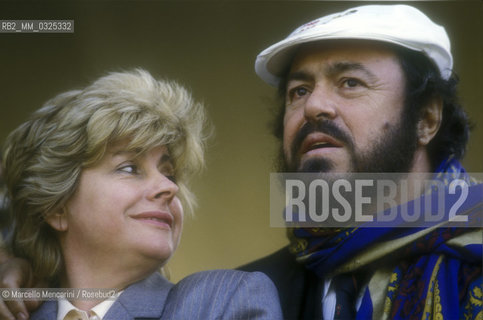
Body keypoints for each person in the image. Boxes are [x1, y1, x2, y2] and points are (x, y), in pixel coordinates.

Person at [240, 4, 482, 320]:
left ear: (426, 119)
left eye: (350, 82)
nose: (313, 106)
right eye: (299, 91)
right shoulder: (242, 297)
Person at [0, 69, 282, 320]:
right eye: (129, 168)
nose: (169, 187)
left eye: (169, 173)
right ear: (56, 208)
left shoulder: (223, 300)